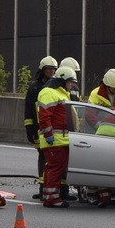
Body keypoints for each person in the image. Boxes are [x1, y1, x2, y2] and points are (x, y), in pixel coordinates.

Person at [37, 66, 78, 207]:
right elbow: (44, 116)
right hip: (55, 140)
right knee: (55, 168)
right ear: (62, 80)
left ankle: (51, 196)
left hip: (61, 140)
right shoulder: (50, 93)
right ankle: (52, 199)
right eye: (70, 81)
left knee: (54, 167)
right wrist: (48, 134)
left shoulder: (60, 93)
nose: (71, 84)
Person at [24, 56, 57, 199]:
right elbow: (29, 110)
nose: (51, 71)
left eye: (54, 69)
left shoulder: (55, 86)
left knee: (54, 158)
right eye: (49, 69)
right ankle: (42, 187)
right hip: (39, 128)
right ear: (42, 70)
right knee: (42, 156)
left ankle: (53, 187)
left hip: (52, 127)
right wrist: (29, 129)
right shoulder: (35, 87)